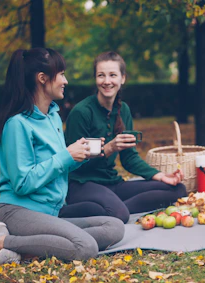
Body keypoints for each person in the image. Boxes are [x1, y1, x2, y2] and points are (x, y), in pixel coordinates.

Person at [0, 48, 124, 265]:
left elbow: (56, 167)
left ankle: (27, 249)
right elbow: (22, 183)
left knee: (114, 227)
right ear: (42, 79)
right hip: (19, 212)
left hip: (51, 212)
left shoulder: (52, 116)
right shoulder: (17, 124)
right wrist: (66, 156)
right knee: (86, 247)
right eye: (61, 74)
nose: (65, 80)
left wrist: (79, 155)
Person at [58, 51, 186, 224]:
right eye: (101, 75)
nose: (107, 81)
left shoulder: (123, 110)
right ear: (95, 79)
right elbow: (72, 164)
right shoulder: (82, 112)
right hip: (81, 184)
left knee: (177, 189)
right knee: (120, 215)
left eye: (112, 75)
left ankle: (111, 206)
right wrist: (108, 148)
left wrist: (161, 176)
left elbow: (129, 158)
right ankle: (70, 212)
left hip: (111, 183)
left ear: (122, 78)